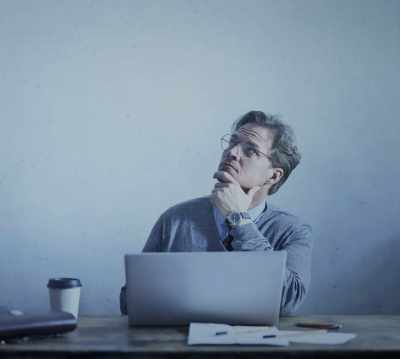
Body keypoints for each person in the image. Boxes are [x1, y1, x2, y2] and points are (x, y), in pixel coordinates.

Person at [120, 110, 312, 316]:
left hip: (255, 346)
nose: (232, 152)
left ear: (273, 176)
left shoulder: (292, 230)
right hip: (179, 343)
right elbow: (130, 303)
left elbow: (289, 303)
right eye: (232, 142)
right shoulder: (175, 220)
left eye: (250, 151)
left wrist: (240, 220)